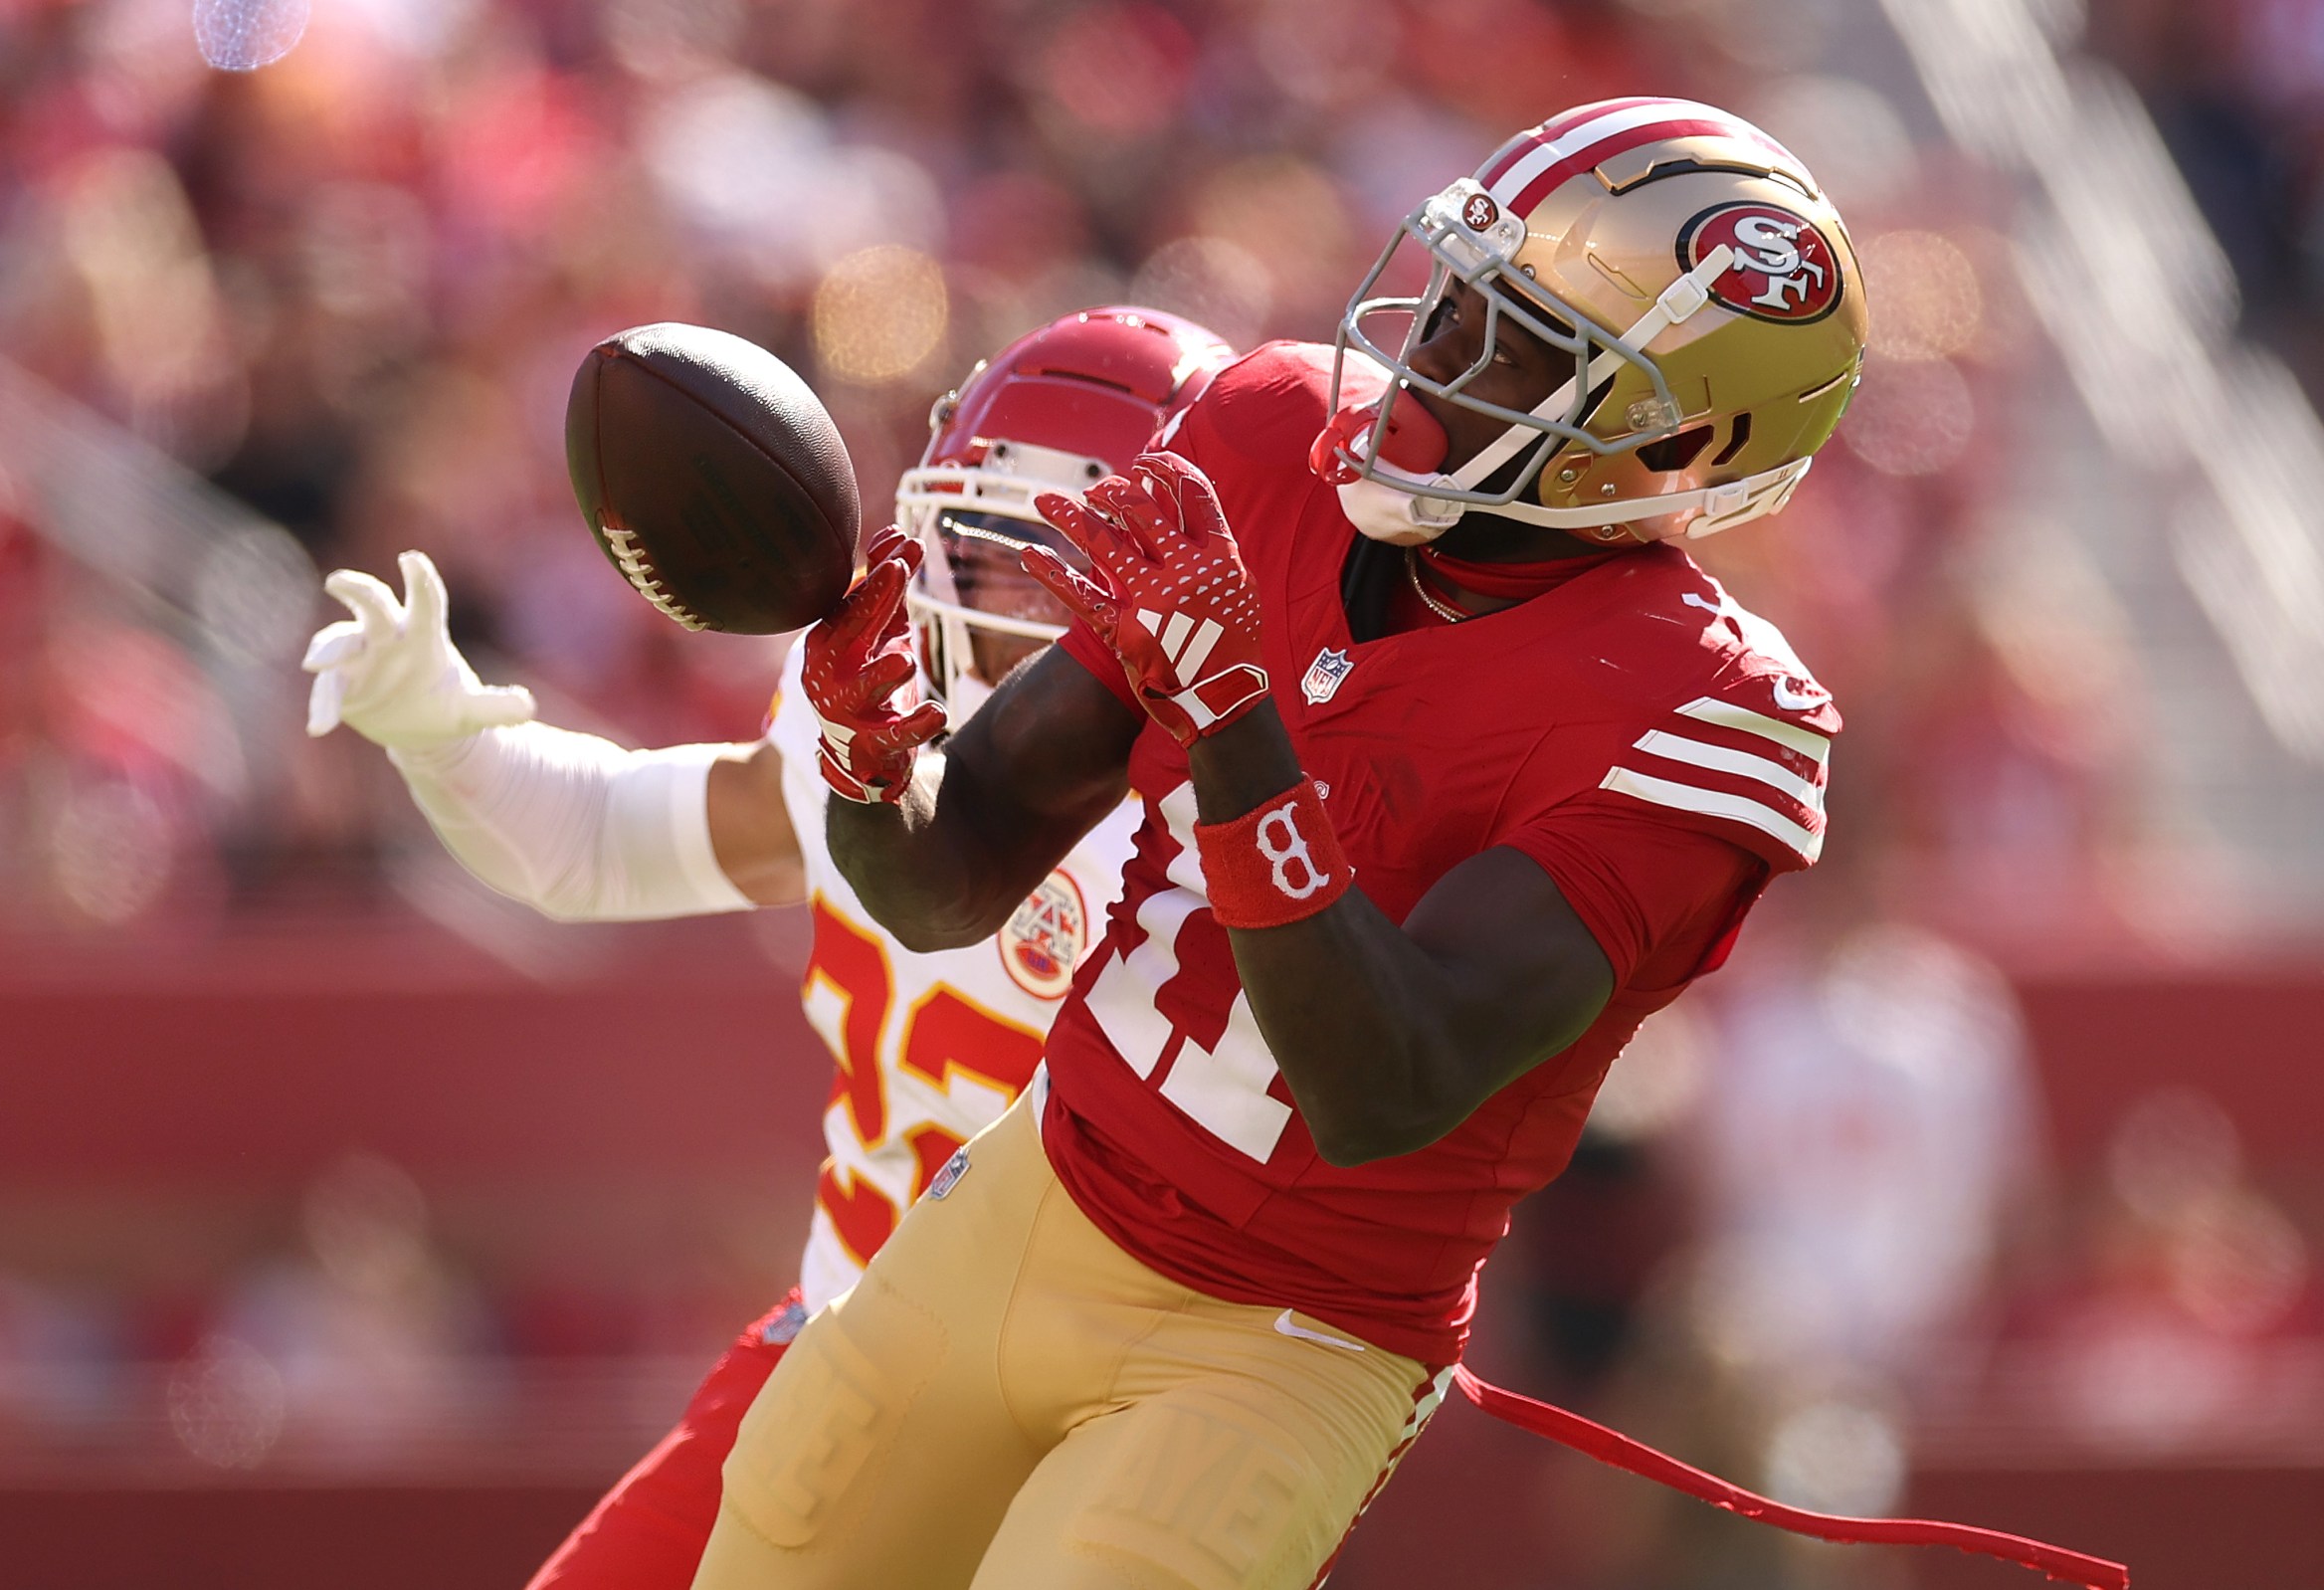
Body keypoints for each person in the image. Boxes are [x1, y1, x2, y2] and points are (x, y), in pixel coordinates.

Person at [693, 97, 1868, 1590]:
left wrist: (1241, 723)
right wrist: (873, 757)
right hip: (1034, 1190)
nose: (1427, 352)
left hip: (1288, 1333)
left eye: (1507, 340)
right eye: (1451, 292)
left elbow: (1386, 1082)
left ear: (1664, 440)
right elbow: (952, 872)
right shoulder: (1268, 439)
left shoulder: (1708, 712)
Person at [297, 305, 1235, 1590]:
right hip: (846, 1336)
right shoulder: (873, 694)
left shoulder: (1233, 793)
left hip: (1109, 1401)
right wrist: (446, 736)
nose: (988, 592)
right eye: (974, 537)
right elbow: (606, 843)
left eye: (1050, 555)